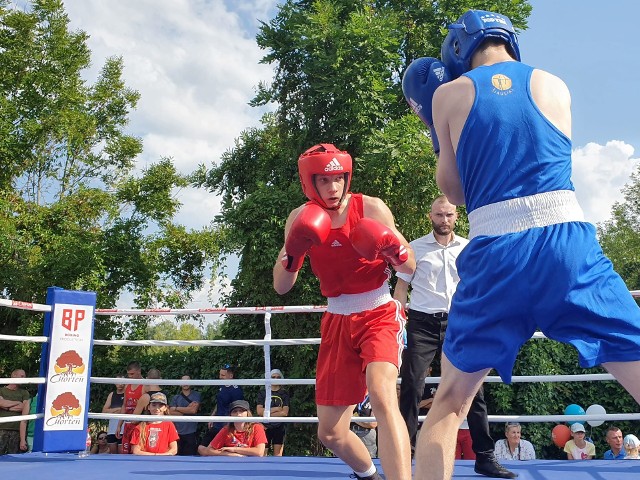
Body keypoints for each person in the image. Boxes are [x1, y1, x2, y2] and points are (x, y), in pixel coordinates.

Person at [404, 9, 640, 479]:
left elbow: (456, 193)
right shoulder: (555, 84)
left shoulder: (450, 94)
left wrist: (439, 131)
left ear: (456, 50)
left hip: (496, 252)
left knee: (449, 402)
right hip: (566, 246)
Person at [273, 143, 416, 480]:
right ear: (310, 182)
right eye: (324, 180)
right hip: (337, 317)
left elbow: (410, 265)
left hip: (378, 310)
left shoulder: (372, 208)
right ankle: (369, 476)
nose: (333, 188)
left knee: (382, 397)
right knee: (331, 433)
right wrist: (294, 252)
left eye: (338, 178)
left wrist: (393, 248)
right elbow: (281, 286)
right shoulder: (299, 218)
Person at [394, 196, 514, 478]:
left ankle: (484, 457)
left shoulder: (467, 247)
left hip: (460, 322)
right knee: (412, 386)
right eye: (439, 215)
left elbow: (482, 286)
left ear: (456, 217)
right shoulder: (415, 248)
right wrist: (396, 322)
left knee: (474, 391)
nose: (444, 220)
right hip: (421, 323)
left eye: (449, 215)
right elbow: (401, 288)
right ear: (430, 216)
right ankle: (404, 454)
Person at [198, 400, 267, 457]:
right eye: (235, 411)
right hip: (231, 464)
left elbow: (259, 452)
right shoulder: (226, 430)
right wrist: (229, 454)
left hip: (253, 464)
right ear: (230, 414)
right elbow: (209, 450)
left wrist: (234, 449)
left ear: (247, 413)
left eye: (242, 410)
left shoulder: (257, 427)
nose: (238, 414)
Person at [199, 364, 244, 448]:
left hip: (227, 424)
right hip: (218, 422)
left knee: (216, 447)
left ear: (231, 376)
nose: (220, 377)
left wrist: (230, 424)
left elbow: (238, 408)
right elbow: (219, 402)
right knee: (203, 446)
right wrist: (212, 417)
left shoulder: (236, 390)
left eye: (223, 375)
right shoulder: (222, 386)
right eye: (220, 374)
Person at [256, 368, 290, 456]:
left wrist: (267, 412)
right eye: (273, 377)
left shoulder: (284, 393)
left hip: (279, 426)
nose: (275, 379)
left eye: (278, 377)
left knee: (278, 455)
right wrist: (276, 409)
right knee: (262, 455)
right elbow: (259, 411)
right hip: (264, 426)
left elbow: (284, 413)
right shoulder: (262, 393)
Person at [115, 361, 145, 454]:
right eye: (128, 374)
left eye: (132, 374)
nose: (130, 376)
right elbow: (124, 405)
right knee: (125, 451)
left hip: (139, 424)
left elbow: (147, 408)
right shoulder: (127, 385)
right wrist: (119, 425)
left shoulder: (145, 385)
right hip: (128, 423)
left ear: (139, 371)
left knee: (136, 451)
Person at [169, 375, 202, 456]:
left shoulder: (196, 395)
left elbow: (193, 410)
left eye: (187, 381)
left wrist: (176, 408)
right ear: (180, 384)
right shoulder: (175, 398)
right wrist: (186, 411)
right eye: (183, 381)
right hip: (177, 433)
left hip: (191, 432)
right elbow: (170, 412)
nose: (185, 383)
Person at [0, 369, 30, 455]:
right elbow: (1, 403)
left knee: (14, 458)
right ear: (14, 376)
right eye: (22, 376)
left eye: (25, 376)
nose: (24, 378)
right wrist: (17, 403)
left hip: (17, 431)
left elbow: (24, 408)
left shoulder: (24, 393)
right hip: (1, 428)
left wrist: (6, 406)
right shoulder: (1, 390)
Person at [350, 393, 377, 459]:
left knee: (368, 459)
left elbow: (373, 424)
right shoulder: (352, 395)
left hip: (366, 435)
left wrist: (353, 418)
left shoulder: (374, 397)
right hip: (350, 433)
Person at [102, 377, 125, 453]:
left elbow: (127, 409)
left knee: (122, 455)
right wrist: (117, 409)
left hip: (123, 429)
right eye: (118, 382)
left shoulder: (127, 394)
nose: (120, 384)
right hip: (112, 429)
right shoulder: (112, 395)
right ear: (115, 383)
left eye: (122, 382)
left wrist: (120, 410)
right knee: (112, 455)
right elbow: (104, 411)